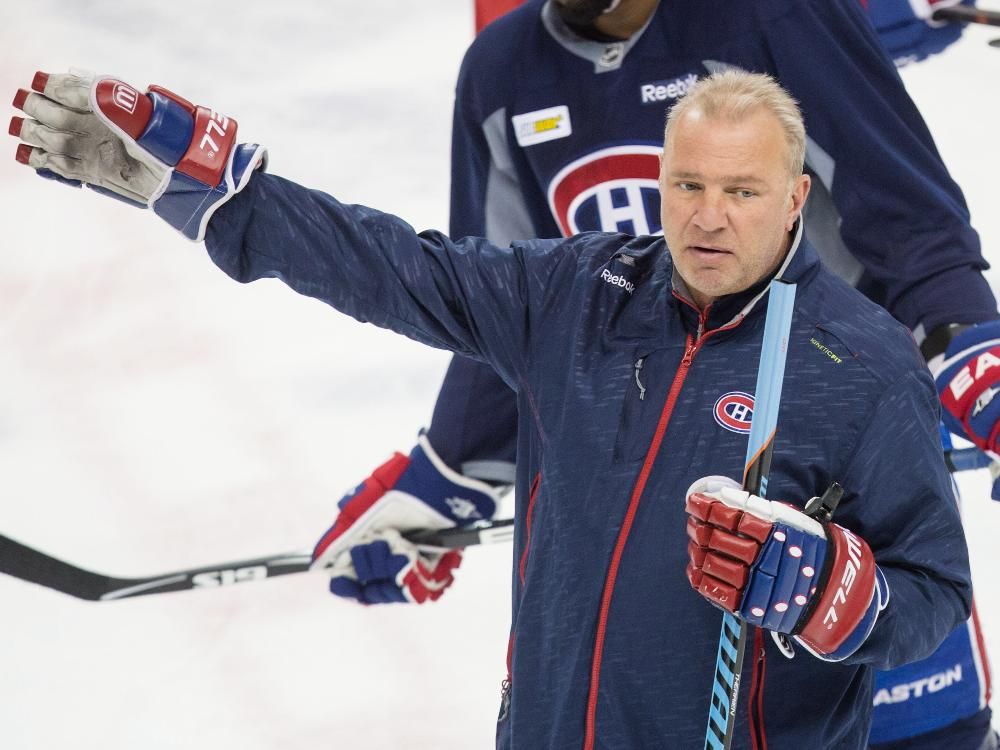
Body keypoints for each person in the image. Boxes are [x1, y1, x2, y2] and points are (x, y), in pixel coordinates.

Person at [10, 65, 975, 749]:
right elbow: (397, 268)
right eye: (687, 185)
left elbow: (931, 593)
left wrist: (832, 594)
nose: (708, 216)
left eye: (741, 191)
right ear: (659, 184)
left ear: (797, 198)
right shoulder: (578, 295)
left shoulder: (863, 363)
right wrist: (235, 201)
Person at [312, 0, 1000, 747]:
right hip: (653, 529)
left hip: (835, 485)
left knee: (919, 723)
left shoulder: (777, 17)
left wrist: (969, 342)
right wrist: (448, 477)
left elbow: (910, 221)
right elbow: (508, 312)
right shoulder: (502, 70)